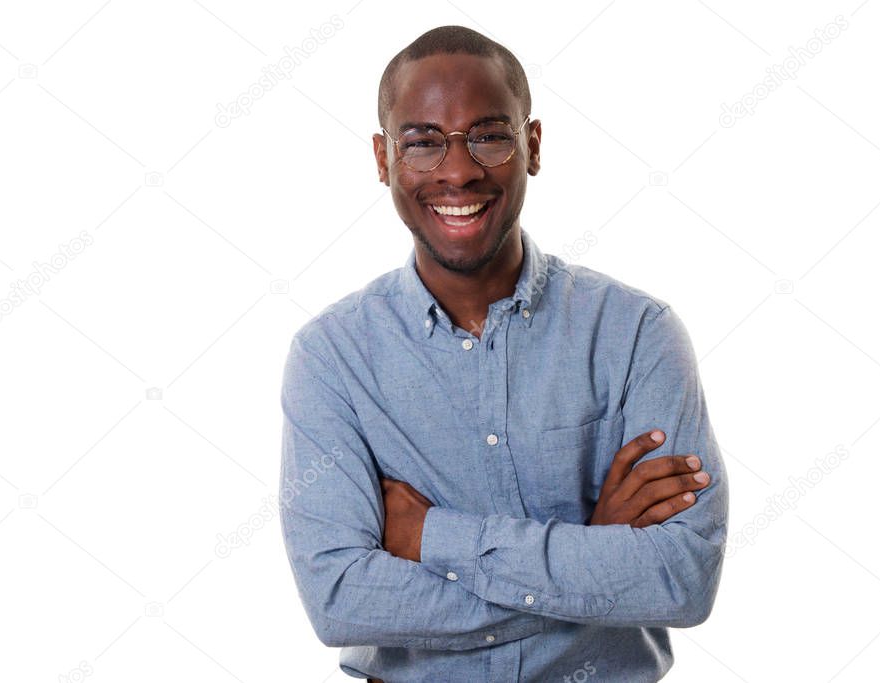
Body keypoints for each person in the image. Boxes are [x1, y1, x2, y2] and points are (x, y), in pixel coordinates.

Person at [280, 25, 729, 683]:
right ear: (383, 160)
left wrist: (431, 536)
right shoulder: (331, 358)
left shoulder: (637, 334)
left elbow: (681, 575)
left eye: (489, 136)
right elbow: (339, 599)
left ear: (533, 145)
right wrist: (593, 562)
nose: (457, 170)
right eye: (422, 142)